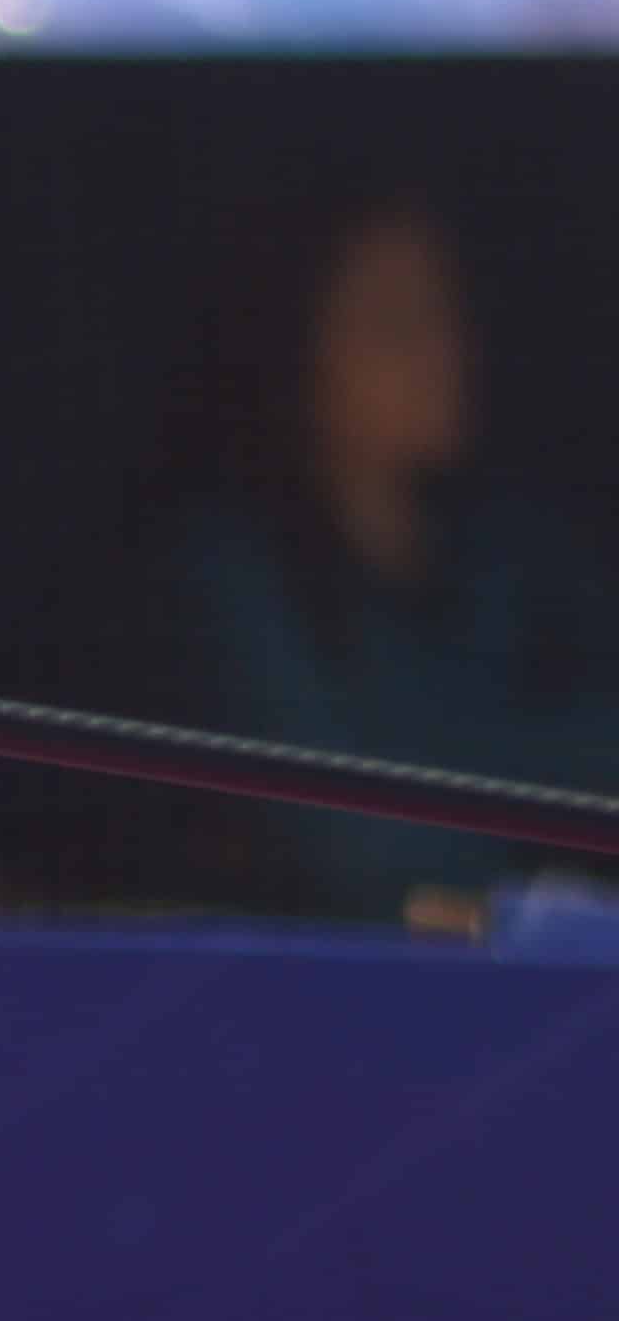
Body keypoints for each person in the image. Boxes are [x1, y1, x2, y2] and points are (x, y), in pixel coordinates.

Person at [152, 191, 619, 925]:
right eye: (394, 324)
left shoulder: (521, 552)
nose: (444, 353)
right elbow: (354, 855)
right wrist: (531, 802)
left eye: (450, 314)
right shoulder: (229, 574)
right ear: (296, 349)